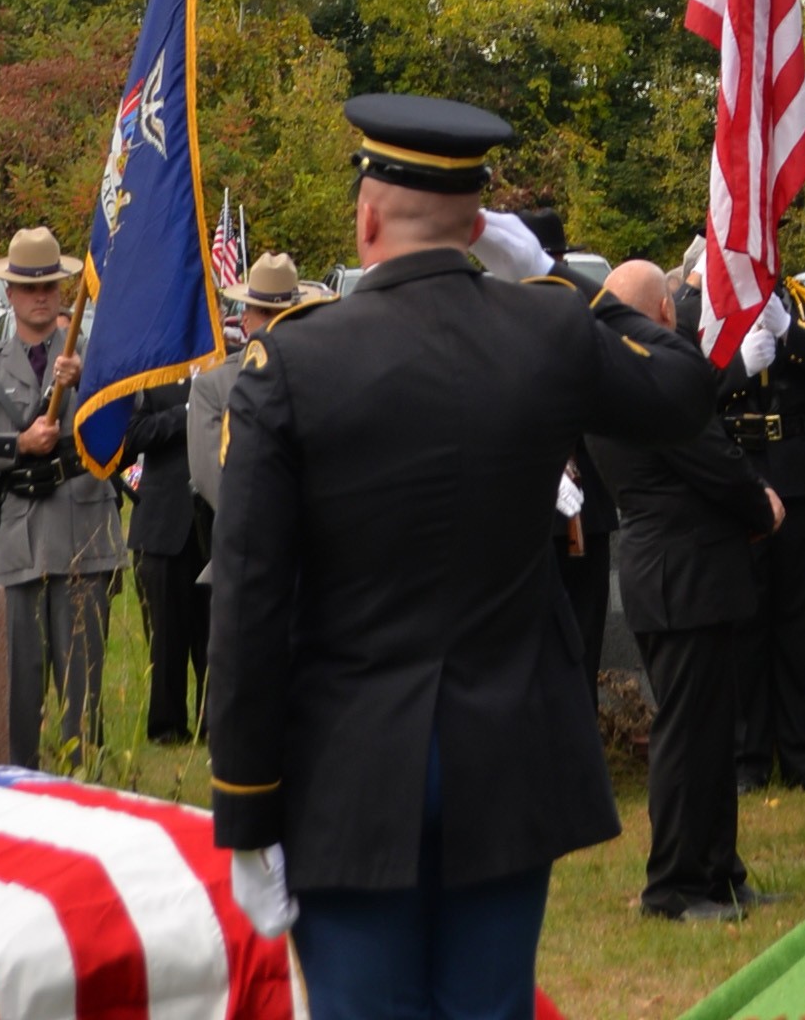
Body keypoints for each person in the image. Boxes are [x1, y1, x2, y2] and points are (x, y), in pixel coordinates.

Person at [207, 92, 721, 1020]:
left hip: (349, 762)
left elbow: (248, 599)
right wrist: (560, 278)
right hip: (508, 748)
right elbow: (683, 390)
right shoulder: (549, 330)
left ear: (366, 219)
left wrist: (245, 807)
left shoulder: (291, 365)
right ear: (484, 227)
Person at [588, 260, 782, 923]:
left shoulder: (611, 376)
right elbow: (716, 465)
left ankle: (719, 871)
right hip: (683, 572)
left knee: (708, 731)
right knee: (686, 734)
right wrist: (763, 508)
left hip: (678, 568)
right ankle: (673, 885)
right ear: (665, 313)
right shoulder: (648, 383)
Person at [0, 222, 127, 771]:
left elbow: (126, 433)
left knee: (83, 692)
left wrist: (89, 382)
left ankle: (83, 787)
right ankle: (18, 789)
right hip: (18, 541)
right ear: (10, 294)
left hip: (82, 535)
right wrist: (19, 443)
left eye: (50, 287)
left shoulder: (95, 360)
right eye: (29, 287)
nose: (40, 297)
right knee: (16, 693)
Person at [688, 255, 805, 794]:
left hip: (798, 476)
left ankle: (803, 754)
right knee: (744, 623)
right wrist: (736, 368)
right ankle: (746, 758)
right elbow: (683, 397)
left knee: (798, 621)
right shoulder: (704, 312)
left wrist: (789, 335)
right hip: (737, 476)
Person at [117, 374, 211, 745]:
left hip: (218, 520)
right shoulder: (152, 372)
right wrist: (188, 412)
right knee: (166, 637)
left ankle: (214, 724)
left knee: (215, 635)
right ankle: (167, 726)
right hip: (163, 524)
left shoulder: (231, 365)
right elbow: (133, 435)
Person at [189, 248, 302, 517]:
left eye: (286, 313)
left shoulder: (323, 374)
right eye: (266, 312)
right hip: (251, 539)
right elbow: (215, 482)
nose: (277, 323)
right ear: (245, 320)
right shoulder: (213, 386)